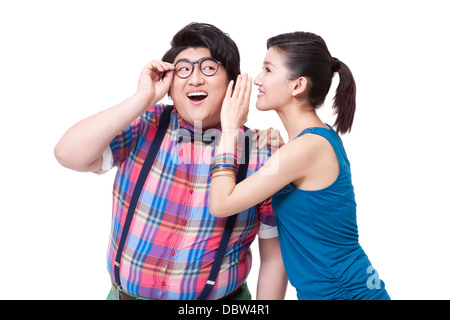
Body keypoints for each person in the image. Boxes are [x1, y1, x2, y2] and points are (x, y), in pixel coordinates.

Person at [54, 22, 288, 300]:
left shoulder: (262, 153)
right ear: (170, 84)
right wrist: (142, 98)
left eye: (209, 68)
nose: (195, 79)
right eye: (183, 69)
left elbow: (274, 258)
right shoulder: (144, 124)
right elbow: (67, 154)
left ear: (232, 83)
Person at [209, 31, 390, 300]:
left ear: (297, 86)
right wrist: (282, 150)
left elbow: (221, 203)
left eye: (268, 69)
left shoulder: (307, 148)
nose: (258, 79)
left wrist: (230, 130)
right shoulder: (309, 143)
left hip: (346, 293)